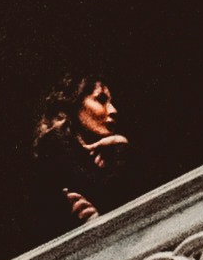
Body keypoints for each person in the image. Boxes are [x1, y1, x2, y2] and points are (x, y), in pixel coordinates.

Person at [29, 72, 132, 232]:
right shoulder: (55, 149)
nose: (113, 110)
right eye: (101, 100)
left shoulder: (102, 156)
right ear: (74, 103)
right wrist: (120, 149)